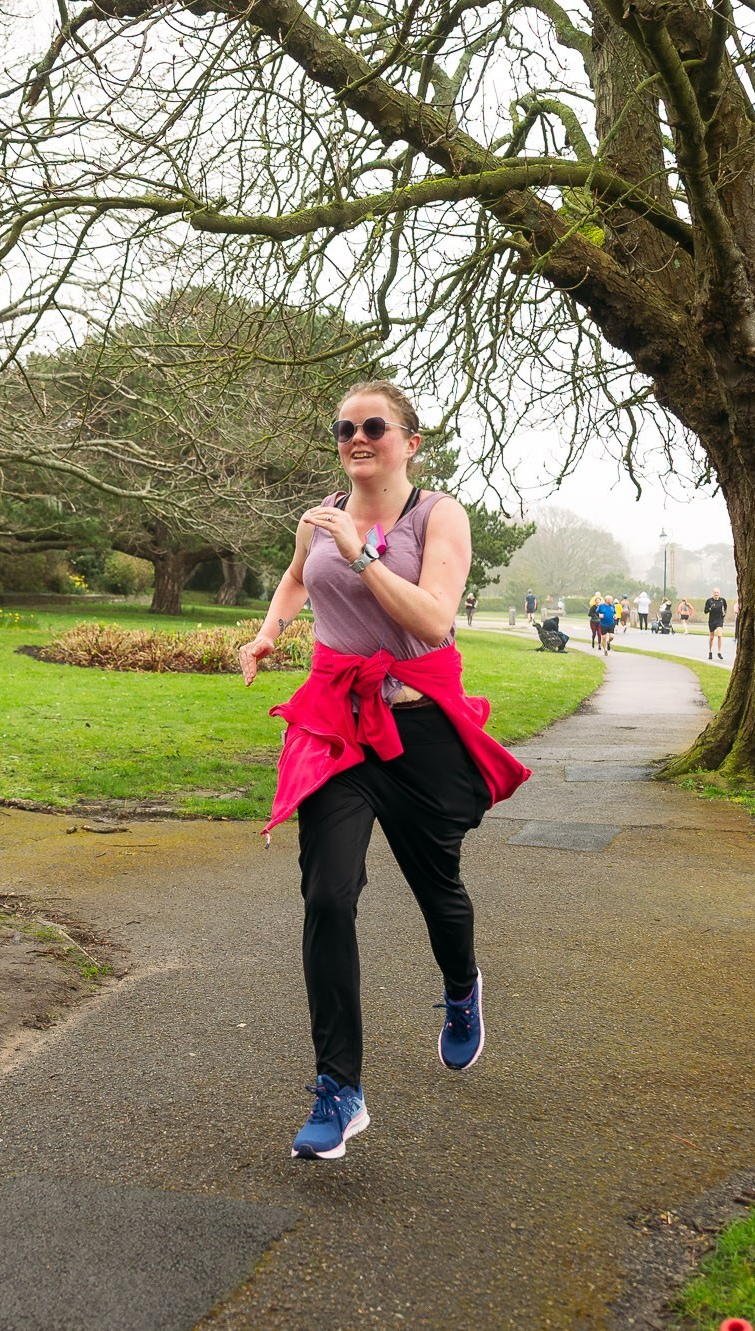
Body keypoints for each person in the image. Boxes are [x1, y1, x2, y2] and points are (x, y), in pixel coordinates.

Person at [237, 380, 530, 1162]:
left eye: (373, 426)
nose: (356, 437)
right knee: (328, 894)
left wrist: (362, 556)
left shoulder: (439, 516)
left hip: (419, 728)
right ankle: (340, 1089)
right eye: (344, 427)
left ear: (410, 440)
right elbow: (298, 578)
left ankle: (462, 988)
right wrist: (269, 632)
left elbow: (432, 618)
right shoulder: (319, 517)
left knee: (440, 889)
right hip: (337, 725)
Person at [704, 587, 729, 659]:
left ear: (719, 593)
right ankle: (710, 651)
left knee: (719, 635)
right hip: (712, 620)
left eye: (717, 593)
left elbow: (725, 607)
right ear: (713, 593)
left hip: (719, 620)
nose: (716, 594)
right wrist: (709, 608)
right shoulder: (709, 601)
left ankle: (719, 652)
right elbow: (705, 611)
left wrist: (724, 613)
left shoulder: (722, 600)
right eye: (715, 593)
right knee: (711, 637)